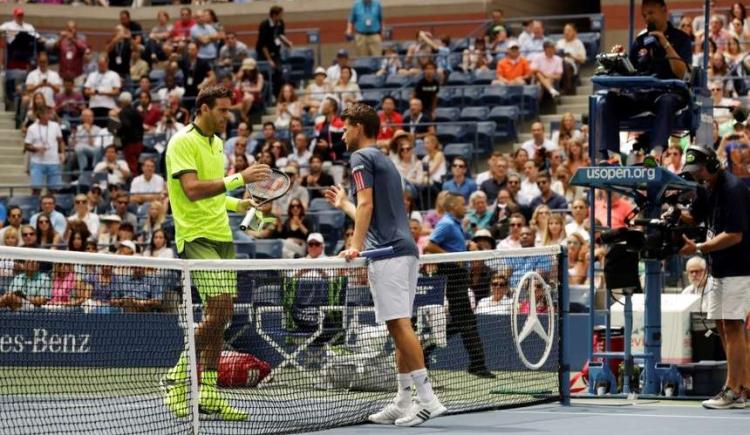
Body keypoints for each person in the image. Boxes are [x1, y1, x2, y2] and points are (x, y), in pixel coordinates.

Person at [324, 102, 445, 426]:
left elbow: (367, 205)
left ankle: (427, 399)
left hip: (387, 254)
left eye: (346, 127)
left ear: (360, 128)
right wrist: (345, 204)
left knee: (400, 325)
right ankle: (403, 400)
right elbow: (369, 211)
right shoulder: (385, 161)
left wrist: (354, 246)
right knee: (398, 325)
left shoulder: (360, 157)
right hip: (404, 250)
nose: (343, 134)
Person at [679, 145, 750, 409]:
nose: (697, 176)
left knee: (732, 326)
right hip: (720, 268)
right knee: (724, 325)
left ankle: (732, 389)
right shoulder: (706, 187)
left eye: (699, 171)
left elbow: (735, 234)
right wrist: (675, 214)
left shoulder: (733, 189)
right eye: (693, 172)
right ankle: (745, 388)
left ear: (711, 164)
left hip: (739, 268)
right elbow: (694, 216)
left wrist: (698, 248)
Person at [599, 0, 692, 159]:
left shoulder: (681, 38)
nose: (648, 18)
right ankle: (612, 156)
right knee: (609, 100)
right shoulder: (640, 41)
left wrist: (665, 43)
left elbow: (682, 74)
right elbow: (630, 73)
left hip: (669, 94)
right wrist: (620, 59)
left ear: (664, 10)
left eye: (651, 13)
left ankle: (655, 155)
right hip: (642, 95)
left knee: (667, 101)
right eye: (644, 15)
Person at [424, 192, 495, 379]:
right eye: (463, 204)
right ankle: (478, 365)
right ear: (453, 206)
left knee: (461, 322)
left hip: (459, 276)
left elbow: (453, 244)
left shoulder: (455, 224)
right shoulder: (446, 224)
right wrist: (453, 259)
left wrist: (466, 244)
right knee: (467, 322)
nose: (466, 207)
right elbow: (429, 246)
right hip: (452, 276)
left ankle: (425, 349)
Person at [24, 107, 65, 195]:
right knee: (36, 189)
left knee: (54, 189)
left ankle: (53, 207)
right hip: (37, 162)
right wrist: (36, 148)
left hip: (53, 161)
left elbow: (61, 141)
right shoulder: (32, 128)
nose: (50, 115)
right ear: (40, 115)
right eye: (47, 113)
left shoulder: (55, 125)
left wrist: (62, 153)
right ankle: (35, 207)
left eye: (50, 113)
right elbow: (26, 146)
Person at [256, 5, 292, 97]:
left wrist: (287, 42)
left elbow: (280, 35)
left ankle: (278, 96)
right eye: (280, 15)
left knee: (279, 72)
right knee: (266, 74)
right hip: (264, 53)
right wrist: (269, 60)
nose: (281, 16)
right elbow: (263, 45)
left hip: (276, 52)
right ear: (274, 15)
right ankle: (267, 95)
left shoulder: (280, 22)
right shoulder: (264, 25)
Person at [84, 54, 122, 128]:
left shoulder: (114, 75)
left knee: (108, 128)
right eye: (99, 64)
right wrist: (94, 92)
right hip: (93, 106)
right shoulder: (92, 75)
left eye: (103, 64)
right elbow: (86, 91)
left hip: (108, 106)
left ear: (107, 63)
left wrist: (102, 92)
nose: (101, 67)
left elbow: (116, 91)